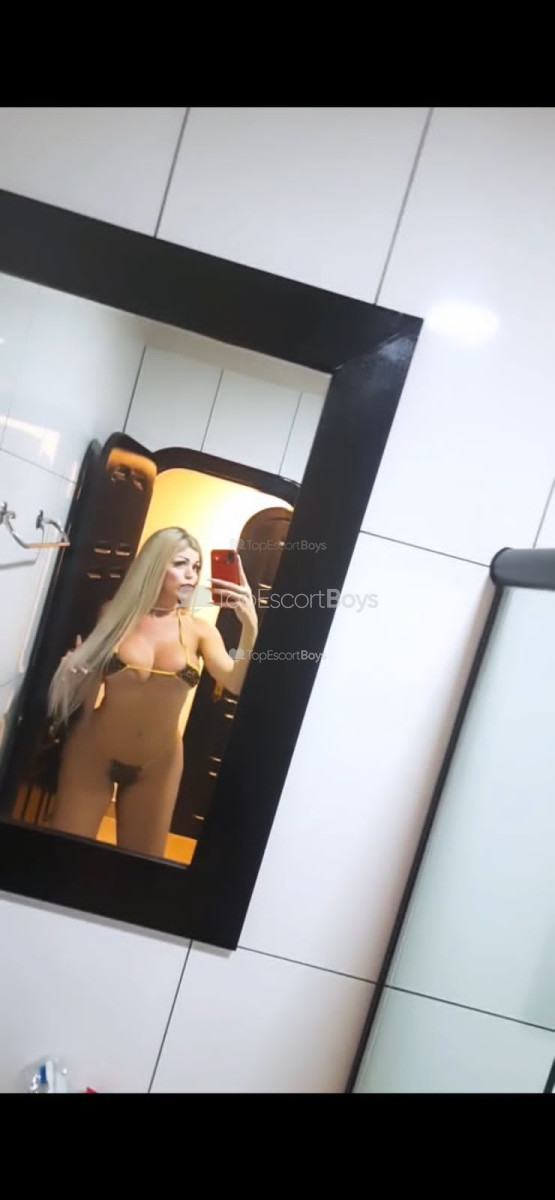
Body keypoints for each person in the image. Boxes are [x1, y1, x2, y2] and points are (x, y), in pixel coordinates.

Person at [47, 527, 258, 857]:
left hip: (159, 763)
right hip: (93, 751)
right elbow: (82, 686)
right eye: (180, 564)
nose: (191, 575)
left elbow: (236, 682)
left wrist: (250, 628)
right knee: (62, 856)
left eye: (196, 567)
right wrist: (71, 674)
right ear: (155, 565)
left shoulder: (199, 631)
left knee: (141, 869)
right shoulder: (112, 614)